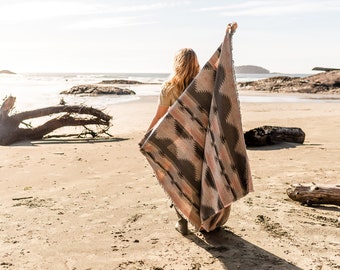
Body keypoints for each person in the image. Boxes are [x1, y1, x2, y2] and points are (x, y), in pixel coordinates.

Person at [146, 48, 200, 235]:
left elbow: (159, 116)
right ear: (195, 63)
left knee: (173, 179)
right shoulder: (202, 86)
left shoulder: (168, 88)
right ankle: (204, 218)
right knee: (199, 180)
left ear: (177, 63)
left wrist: (147, 136)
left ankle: (181, 220)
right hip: (200, 141)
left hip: (175, 142)